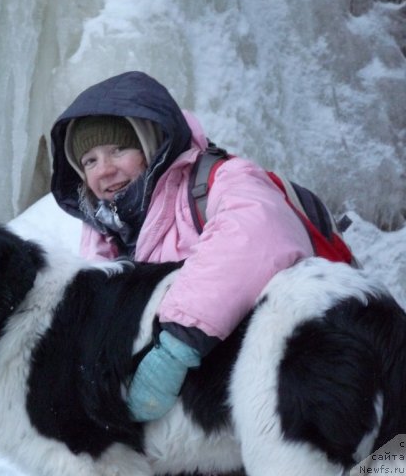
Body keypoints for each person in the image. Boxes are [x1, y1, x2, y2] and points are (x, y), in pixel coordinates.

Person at [49, 70, 314, 421]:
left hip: (306, 376)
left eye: (118, 149)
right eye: (90, 161)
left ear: (150, 143)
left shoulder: (220, 180)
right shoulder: (105, 232)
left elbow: (259, 232)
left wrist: (176, 345)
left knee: (386, 465)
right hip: (215, 412)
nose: (105, 170)